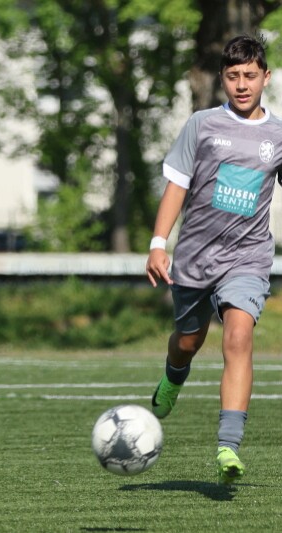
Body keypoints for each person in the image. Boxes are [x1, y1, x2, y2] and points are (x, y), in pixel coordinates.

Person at [146, 34, 282, 486]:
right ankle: (173, 378)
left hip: (248, 257)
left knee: (239, 336)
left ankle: (228, 447)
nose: (242, 85)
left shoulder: (278, 135)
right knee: (187, 342)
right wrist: (158, 243)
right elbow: (177, 186)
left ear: (266, 77)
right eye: (233, 76)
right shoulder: (201, 124)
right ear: (222, 78)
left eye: (250, 76)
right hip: (195, 258)